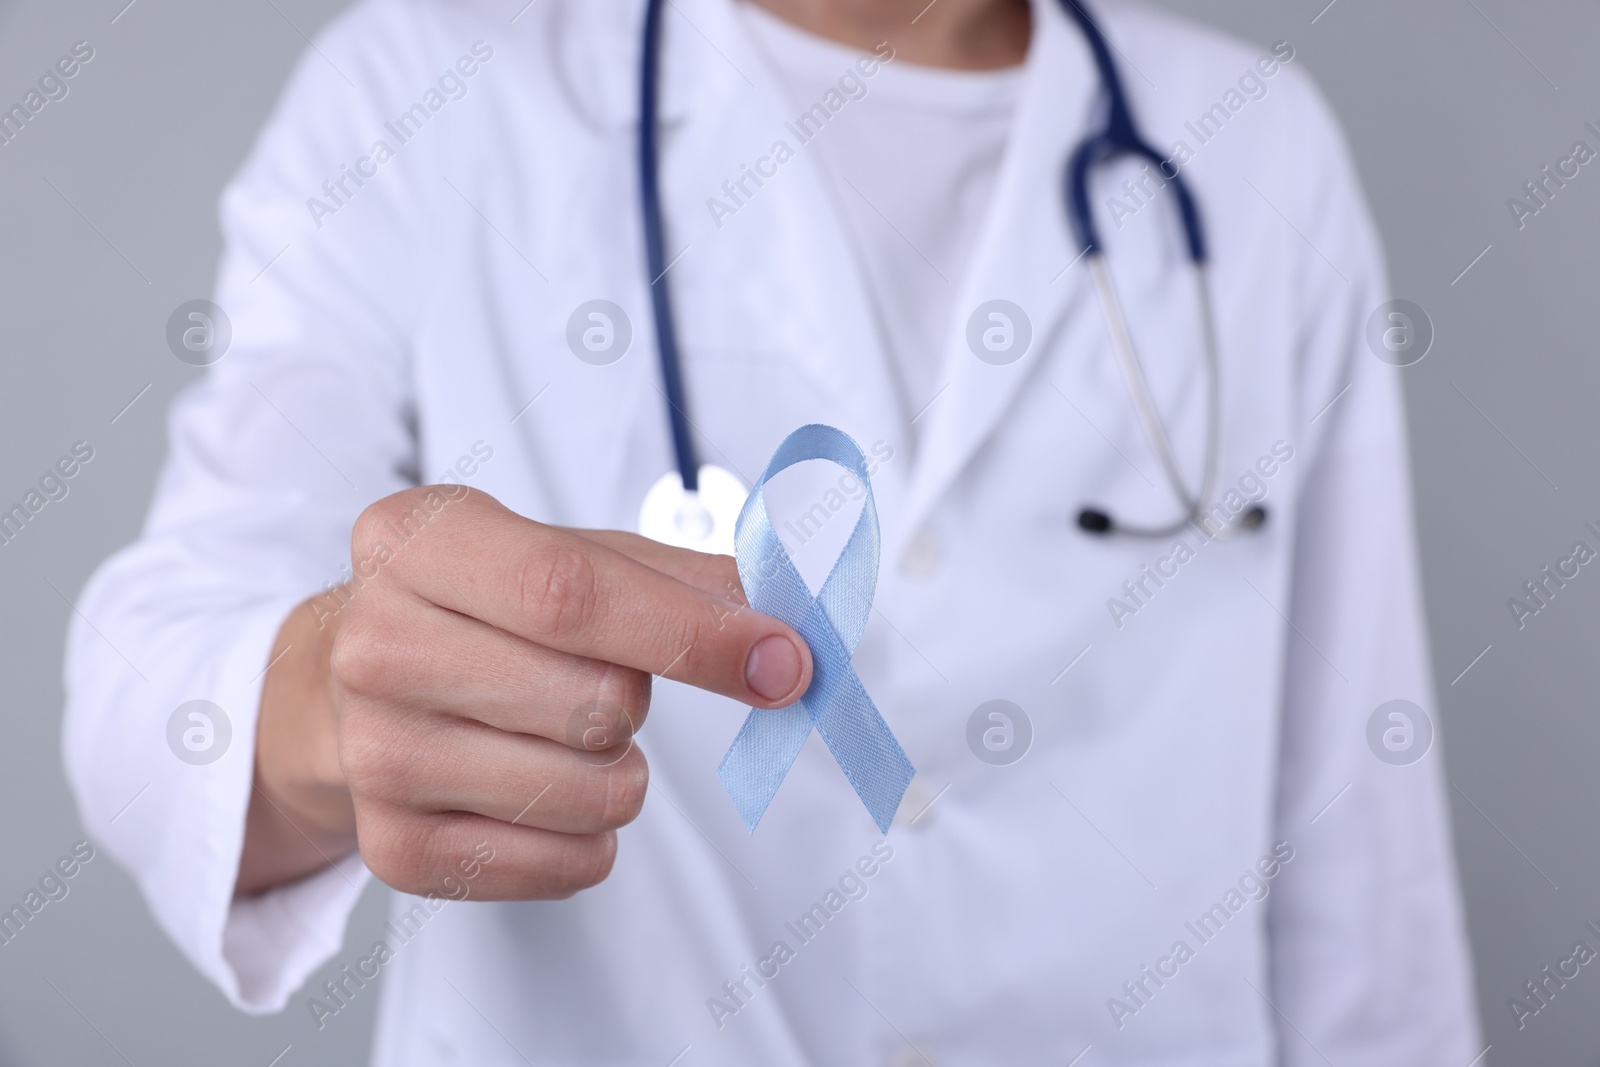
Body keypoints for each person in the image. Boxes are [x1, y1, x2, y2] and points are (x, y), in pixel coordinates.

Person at [63, 0, 1482, 1062]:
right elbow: (155, 672)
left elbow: (1358, 856)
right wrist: (322, 706)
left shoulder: (1254, 151)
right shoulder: (429, 79)